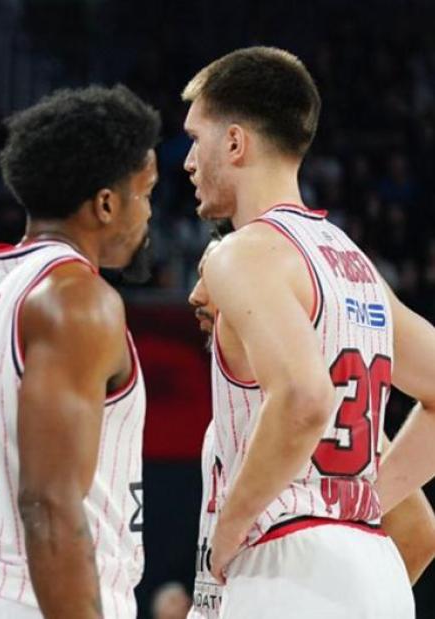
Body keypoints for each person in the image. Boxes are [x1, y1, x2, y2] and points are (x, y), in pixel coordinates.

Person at [181, 46, 435, 616]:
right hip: (374, 567)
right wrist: (367, 500)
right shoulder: (354, 262)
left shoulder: (241, 253)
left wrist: (229, 529)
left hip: (286, 563)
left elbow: (304, 397)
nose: (189, 162)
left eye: (196, 139)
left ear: (235, 142)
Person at [0, 84, 160, 618]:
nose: (149, 212)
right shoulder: (76, 299)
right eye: (145, 193)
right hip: (31, 600)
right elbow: (48, 506)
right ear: (106, 204)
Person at [186, 237, 435, 618]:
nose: (196, 295)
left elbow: (417, 528)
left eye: (212, 276)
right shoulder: (240, 407)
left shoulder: (317, 411)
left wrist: (338, 593)